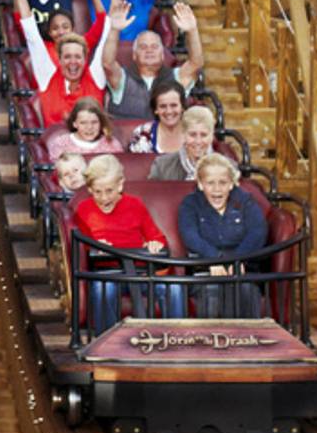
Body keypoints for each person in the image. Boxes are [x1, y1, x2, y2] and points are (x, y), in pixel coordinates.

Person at [73, 154, 184, 334]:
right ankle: (107, 342)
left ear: (120, 185)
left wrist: (154, 244)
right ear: (90, 189)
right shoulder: (84, 209)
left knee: (174, 288)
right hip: (108, 274)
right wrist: (95, 245)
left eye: (109, 191)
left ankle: (176, 338)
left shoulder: (135, 205)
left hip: (139, 273)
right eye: (97, 192)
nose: (103, 198)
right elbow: (82, 246)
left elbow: (157, 237)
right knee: (105, 289)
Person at [178, 153, 268, 318]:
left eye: (223, 183)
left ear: (232, 184)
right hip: (205, 267)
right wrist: (214, 259)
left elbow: (257, 231)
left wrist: (238, 259)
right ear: (200, 184)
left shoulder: (245, 201)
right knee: (212, 290)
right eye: (210, 183)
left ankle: (247, 340)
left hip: (242, 267)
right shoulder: (190, 203)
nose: (217, 189)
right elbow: (190, 235)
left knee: (245, 289)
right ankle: (210, 341)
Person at [102, 1, 205, 120]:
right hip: (126, 137)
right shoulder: (122, 78)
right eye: (143, 47)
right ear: (134, 55)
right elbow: (107, 63)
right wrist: (114, 30)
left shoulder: (176, 77)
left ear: (162, 55)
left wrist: (192, 31)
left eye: (154, 47)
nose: (149, 50)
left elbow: (196, 63)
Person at [149, 105, 217, 180]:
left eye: (204, 135)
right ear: (183, 134)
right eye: (192, 135)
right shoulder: (161, 166)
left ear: (212, 136)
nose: (198, 141)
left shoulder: (228, 167)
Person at [126, 79, 188, 154]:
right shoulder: (143, 133)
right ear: (155, 109)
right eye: (163, 106)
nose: (169, 111)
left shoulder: (195, 133)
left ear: (182, 107)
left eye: (173, 105)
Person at [46, 97, 122, 157]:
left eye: (94, 122)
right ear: (74, 123)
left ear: (101, 123)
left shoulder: (111, 144)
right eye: (83, 123)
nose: (89, 127)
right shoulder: (62, 144)